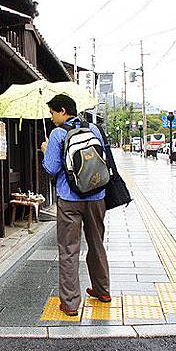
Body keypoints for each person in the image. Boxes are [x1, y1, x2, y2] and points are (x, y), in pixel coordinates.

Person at [40, 94, 111, 316]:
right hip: (97, 196)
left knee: (69, 250)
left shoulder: (58, 134)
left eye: (52, 112)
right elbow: (105, 157)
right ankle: (103, 290)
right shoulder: (94, 129)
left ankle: (70, 303)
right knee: (97, 243)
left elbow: (50, 168)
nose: (51, 118)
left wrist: (45, 151)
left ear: (63, 111)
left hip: (70, 200)